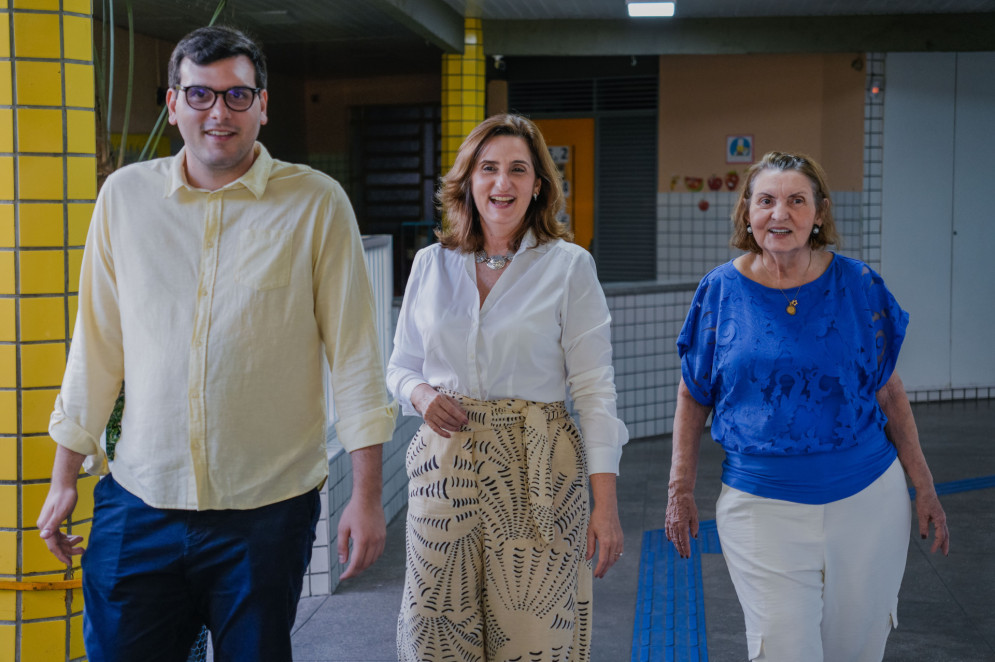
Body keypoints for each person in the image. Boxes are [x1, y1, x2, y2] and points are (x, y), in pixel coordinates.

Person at [35, 25, 396, 662]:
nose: (218, 113)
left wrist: (366, 499)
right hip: (140, 499)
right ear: (173, 106)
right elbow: (96, 347)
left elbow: (356, 358)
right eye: (199, 95)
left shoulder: (315, 204)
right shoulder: (124, 198)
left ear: (263, 105)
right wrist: (66, 474)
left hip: (265, 511)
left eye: (236, 96)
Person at [666, 151, 950, 662]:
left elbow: (889, 390)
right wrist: (679, 489)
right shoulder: (720, 291)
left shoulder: (859, 285)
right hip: (761, 504)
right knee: (784, 648)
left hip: (869, 503)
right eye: (767, 201)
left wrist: (924, 486)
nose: (781, 214)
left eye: (797, 201)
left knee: (856, 650)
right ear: (747, 214)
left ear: (819, 213)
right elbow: (693, 392)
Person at [387, 113, 628, 661]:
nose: (503, 183)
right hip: (445, 467)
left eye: (518, 170)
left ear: (538, 184)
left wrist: (606, 503)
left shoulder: (569, 267)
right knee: (436, 629)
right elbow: (400, 366)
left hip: (540, 466)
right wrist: (421, 395)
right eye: (488, 168)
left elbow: (594, 389)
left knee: (532, 633)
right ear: (468, 180)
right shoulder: (431, 263)